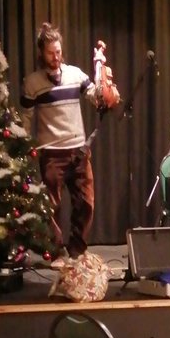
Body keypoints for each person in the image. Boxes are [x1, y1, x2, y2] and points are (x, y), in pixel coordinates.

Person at [20, 22, 118, 264]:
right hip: (51, 152)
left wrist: (106, 89)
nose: (56, 57)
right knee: (51, 206)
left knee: (86, 203)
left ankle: (77, 251)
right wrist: (24, 146)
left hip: (79, 151)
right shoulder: (32, 82)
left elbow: (95, 97)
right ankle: (56, 252)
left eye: (58, 51)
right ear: (41, 53)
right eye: (51, 53)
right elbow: (25, 117)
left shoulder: (75, 74)